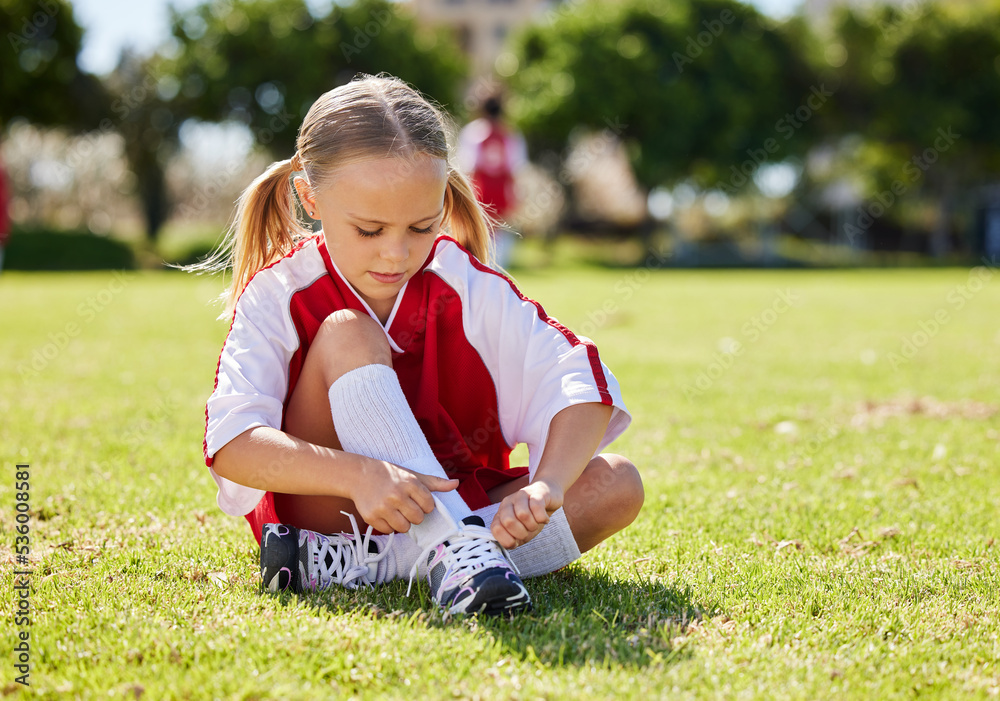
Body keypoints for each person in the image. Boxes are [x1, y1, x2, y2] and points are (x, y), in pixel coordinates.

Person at [200, 74, 643, 617]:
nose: (395, 254)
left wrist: (545, 486)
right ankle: (450, 550)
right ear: (309, 196)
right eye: (368, 230)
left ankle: (393, 562)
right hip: (330, 513)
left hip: (445, 508)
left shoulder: (464, 281)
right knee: (347, 332)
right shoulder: (278, 294)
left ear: (442, 198)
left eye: (421, 225)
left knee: (616, 483)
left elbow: (579, 380)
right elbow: (233, 443)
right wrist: (359, 475)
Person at [457, 94, 527, 269]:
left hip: (479, 194)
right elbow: (516, 170)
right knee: (499, 242)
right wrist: (516, 199)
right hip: (502, 195)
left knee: (476, 241)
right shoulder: (511, 135)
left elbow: (466, 169)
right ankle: (497, 275)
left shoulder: (473, 133)